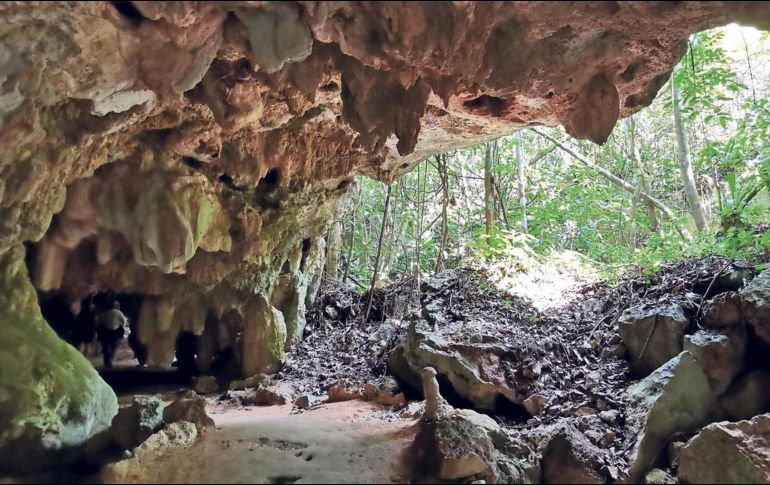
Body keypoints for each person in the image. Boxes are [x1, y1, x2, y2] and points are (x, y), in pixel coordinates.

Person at [95, 300, 131, 368]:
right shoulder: (119, 312)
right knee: (114, 346)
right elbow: (124, 321)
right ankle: (110, 358)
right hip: (115, 331)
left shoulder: (105, 313)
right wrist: (121, 326)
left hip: (105, 331)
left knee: (105, 345)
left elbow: (99, 321)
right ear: (116, 305)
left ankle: (106, 360)